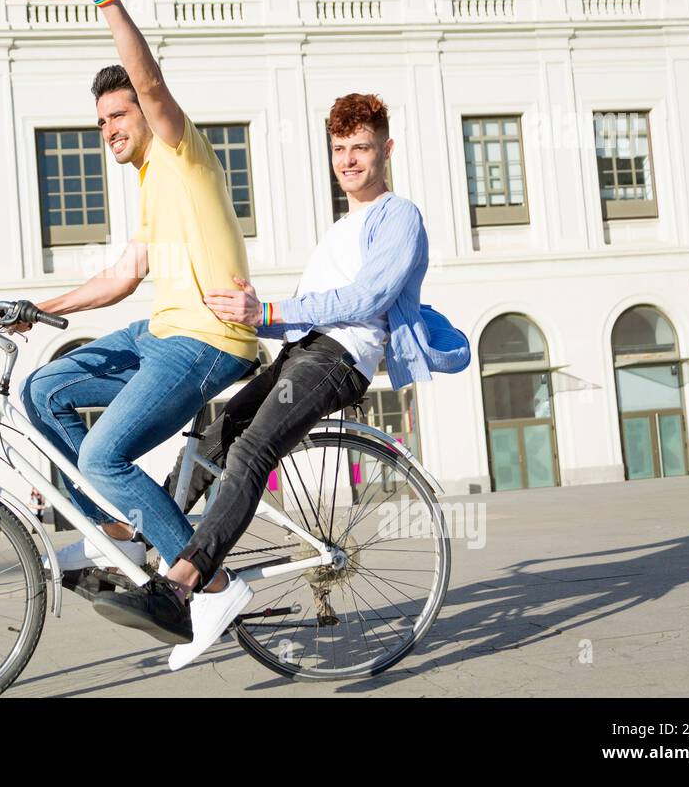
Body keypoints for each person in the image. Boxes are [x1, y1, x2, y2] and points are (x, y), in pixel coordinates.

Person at [90, 93, 472, 666]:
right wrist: (258, 313)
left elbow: (364, 299)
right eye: (340, 149)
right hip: (301, 352)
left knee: (250, 452)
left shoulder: (399, 216)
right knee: (213, 442)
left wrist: (267, 313)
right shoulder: (342, 226)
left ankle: (182, 587)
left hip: (340, 358)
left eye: (361, 148)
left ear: (385, 150)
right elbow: (313, 307)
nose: (349, 160)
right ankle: (138, 538)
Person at [16, 0, 258, 642]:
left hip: (209, 340)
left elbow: (148, 80)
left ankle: (206, 584)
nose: (108, 130)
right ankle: (118, 532)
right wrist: (37, 308)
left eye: (117, 116)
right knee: (42, 391)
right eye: (100, 122)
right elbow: (125, 275)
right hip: (161, 335)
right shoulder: (153, 188)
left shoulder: (182, 152)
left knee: (100, 454)